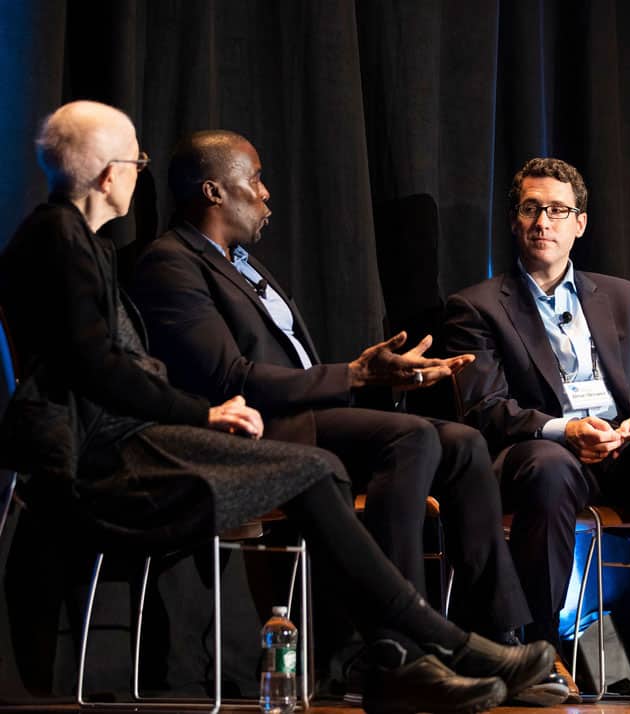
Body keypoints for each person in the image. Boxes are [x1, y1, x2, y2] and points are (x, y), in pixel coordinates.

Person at [0, 100, 554, 714]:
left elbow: (106, 366)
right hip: (108, 456)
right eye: (135, 161)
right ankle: (415, 651)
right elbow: (98, 369)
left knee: (452, 439)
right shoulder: (72, 242)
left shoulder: (86, 244)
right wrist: (203, 414)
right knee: (357, 456)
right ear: (109, 174)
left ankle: (453, 645)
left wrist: (367, 374)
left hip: (140, 436)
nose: (139, 173)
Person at [128, 131, 538, 673]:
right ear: (213, 192)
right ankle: (400, 648)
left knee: (462, 442)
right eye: (254, 179)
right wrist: (353, 376)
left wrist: (373, 373)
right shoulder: (172, 264)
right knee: (409, 436)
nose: (267, 193)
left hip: (310, 417)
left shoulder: (244, 264)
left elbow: (297, 365)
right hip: (258, 432)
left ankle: (499, 633)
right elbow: (230, 377)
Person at [444, 157, 630, 708]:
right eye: (531, 209)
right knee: (550, 465)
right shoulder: (477, 306)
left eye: (557, 210)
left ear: (579, 222)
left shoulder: (622, 296)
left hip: (624, 450)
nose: (543, 222)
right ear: (514, 220)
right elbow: (485, 409)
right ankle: (539, 652)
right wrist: (564, 430)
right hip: (541, 454)